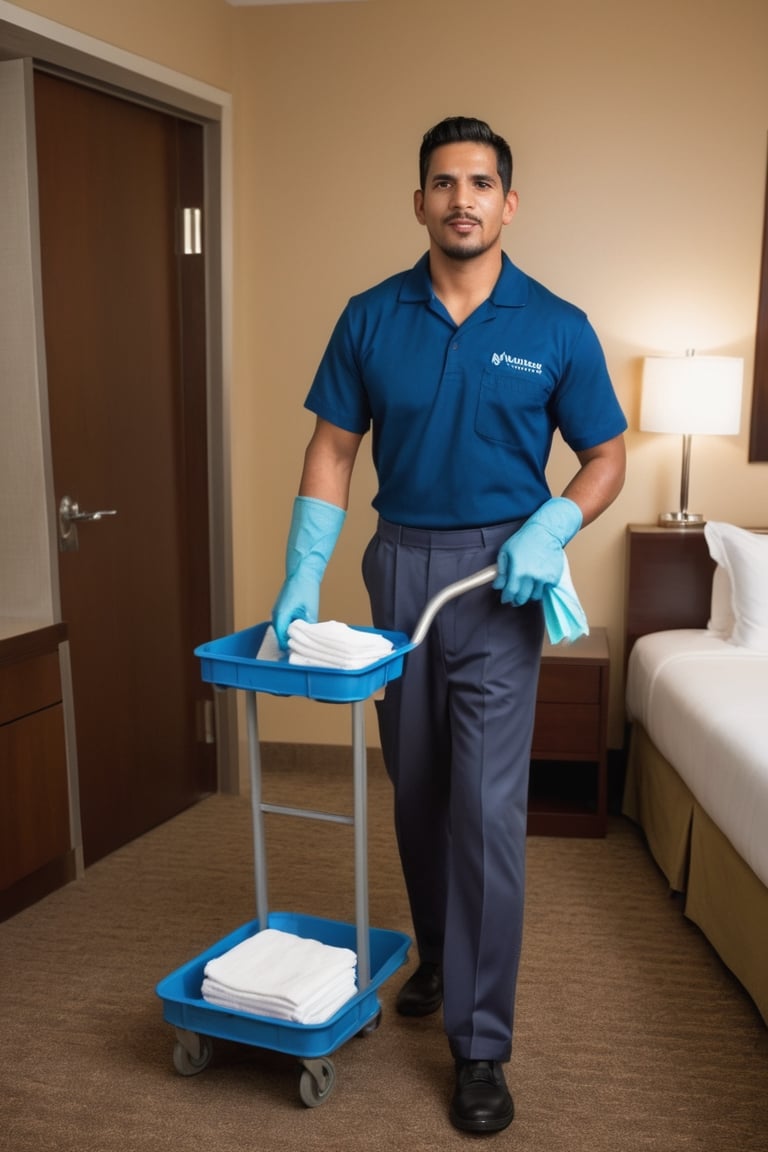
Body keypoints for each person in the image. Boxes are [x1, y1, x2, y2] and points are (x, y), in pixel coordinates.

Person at [271, 116, 627, 1134]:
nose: (461, 198)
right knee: (419, 790)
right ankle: (439, 952)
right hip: (401, 571)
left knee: (485, 811)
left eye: (480, 182)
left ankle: (479, 1042)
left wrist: (554, 520)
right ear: (419, 201)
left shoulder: (556, 325)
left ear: (508, 203)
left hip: (501, 582)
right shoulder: (370, 316)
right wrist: (304, 573)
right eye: (442, 182)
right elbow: (334, 448)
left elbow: (605, 457)